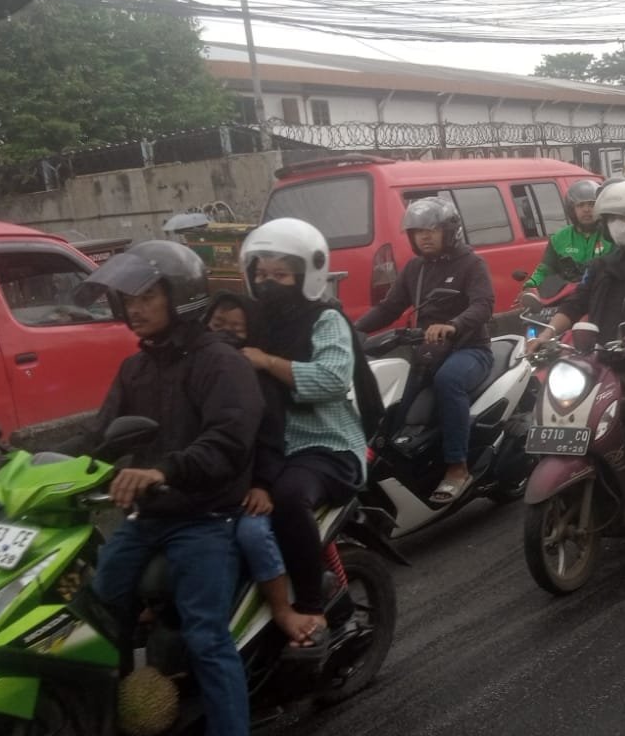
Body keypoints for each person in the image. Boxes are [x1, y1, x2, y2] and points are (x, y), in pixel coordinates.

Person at [70, 241, 261, 736]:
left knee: (208, 636)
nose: (134, 309)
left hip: (205, 516)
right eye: (127, 299)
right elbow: (99, 438)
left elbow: (230, 439)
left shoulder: (218, 361)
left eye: (146, 297)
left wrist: (164, 471)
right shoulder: (136, 367)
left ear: (181, 298)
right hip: (146, 517)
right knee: (94, 617)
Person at [236, 219, 368, 656]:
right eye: (261, 274)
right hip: (266, 448)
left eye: (280, 275)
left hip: (325, 445)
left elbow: (331, 378)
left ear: (304, 275)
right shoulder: (250, 322)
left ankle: (311, 605)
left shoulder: (324, 319)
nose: (268, 283)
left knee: (289, 498)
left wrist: (266, 362)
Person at [526, 181, 625, 516]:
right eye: (612, 220)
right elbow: (574, 304)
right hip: (605, 354)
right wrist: (545, 335)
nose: (617, 226)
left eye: (624, 219)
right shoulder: (601, 266)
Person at [355, 199, 495, 505]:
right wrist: (352, 330)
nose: (424, 237)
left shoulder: (471, 264)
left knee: (448, 381)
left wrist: (454, 325)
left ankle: (458, 468)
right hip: (427, 353)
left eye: (431, 230)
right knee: (395, 408)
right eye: (417, 232)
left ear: (449, 231)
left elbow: (483, 305)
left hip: (470, 349)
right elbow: (389, 307)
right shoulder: (415, 269)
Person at [205, 294, 296, 655]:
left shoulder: (258, 380)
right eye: (218, 327)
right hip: (209, 486)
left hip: (248, 485)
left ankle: (282, 609)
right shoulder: (197, 371)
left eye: (236, 329)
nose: (226, 335)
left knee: (252, 532)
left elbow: (270, 438)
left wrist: (261, 484)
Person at [522, 179, 610, 289]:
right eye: (580, 205)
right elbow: (545, 270)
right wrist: (531, 285)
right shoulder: (558, 239)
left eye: (592, 204)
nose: (586, 209)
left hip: (604, 295)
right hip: (569, 299)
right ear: (572, 209)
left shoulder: (611, 235)